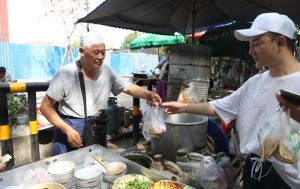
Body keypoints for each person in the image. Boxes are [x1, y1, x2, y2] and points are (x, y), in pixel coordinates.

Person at [161, 12, 300, 189]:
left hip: (288, 180)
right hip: (253, 168)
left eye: (256, 43)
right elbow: (216, 107)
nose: (250, 52)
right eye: (249, 45)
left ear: (280, 42)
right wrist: (182, 107)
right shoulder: (254, 82)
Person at [40, 31, 162, 156]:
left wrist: (147, 94)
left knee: (97, 169)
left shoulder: (107, 72)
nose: (101, 57)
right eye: (96, 52)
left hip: (96, 129)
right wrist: (67, 130)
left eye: (103, 52)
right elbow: (45, 107)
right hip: (69, 130)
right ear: (82, 51)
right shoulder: (66, 74)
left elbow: (128, 87)